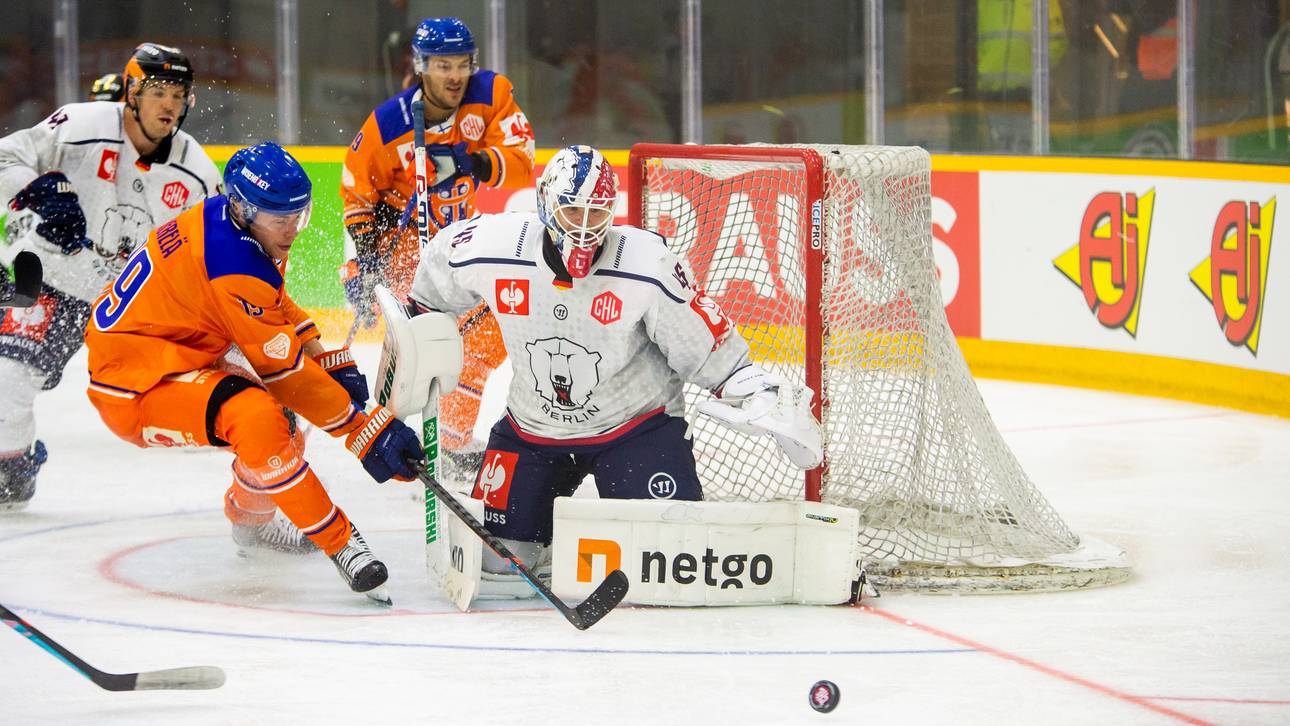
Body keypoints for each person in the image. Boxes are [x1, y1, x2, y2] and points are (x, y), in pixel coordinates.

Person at [406, 145, 822, 591]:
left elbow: (707, 346)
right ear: (546, 202)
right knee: (501, 564)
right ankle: (546, 543)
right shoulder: (494, 245)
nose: (585, 231)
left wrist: (757, 393)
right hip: (532, 433)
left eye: (598, 215)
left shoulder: (646, 263)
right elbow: (433, 275)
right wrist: (417, 326)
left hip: (635, 430)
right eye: (573, 213)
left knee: (670, 559)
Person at [83, 143, 426, 604]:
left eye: (299, 217)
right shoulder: (235, 264)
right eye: (280, 219)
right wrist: (363, 432)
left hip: (178, 353)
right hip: (135, 385)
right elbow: (285, 377)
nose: (292, 230)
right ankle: (342, 544)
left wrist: (322, 354)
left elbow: (274, 299)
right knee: (258, 418)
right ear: (244, 209)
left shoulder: (232, 223)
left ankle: (252, 525)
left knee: (278, 425)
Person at [0, 43, 222, 510]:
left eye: (179, 94)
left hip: (129, 300)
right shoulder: (80, 126)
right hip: (49, 279)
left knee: (243, 373)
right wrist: (37, 189)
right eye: (159, 91)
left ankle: (262, 497)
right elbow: (6, 158)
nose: (169, 104)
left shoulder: (198, 172)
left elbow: (218, 253)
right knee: (8, 381)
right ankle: (12, 468)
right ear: (133, 92)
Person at [340, 16, 535, 485]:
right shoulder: (389, 123)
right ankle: (410, 443)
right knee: (425, 354)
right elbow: (356, 194)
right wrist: (367, 260)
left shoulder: (489, 96)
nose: (454, 75)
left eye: (462, 64)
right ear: (422, 66)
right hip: (402, 250)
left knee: (488, 335)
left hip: (457, 243)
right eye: (442, 65)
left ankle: (447, 439)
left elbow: (524, 159)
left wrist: (476, 160)